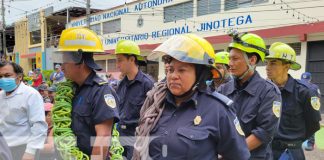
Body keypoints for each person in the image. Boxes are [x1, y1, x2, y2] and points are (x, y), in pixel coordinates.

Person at [133, 34, 250, 160]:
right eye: (171, 70)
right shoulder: (156, 103)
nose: (173, 76)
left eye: (182, 70)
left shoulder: (218, 110)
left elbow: (238, 156)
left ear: (200, 74)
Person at [55, 27, 119, 159]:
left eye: (65, 60)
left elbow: (103, 138)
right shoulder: (74, 89)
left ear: (78, 59)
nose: (61, 66)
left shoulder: (101, 91)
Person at [217, 32, 281, 159]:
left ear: (252, 60)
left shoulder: (269, 92)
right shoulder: (223, 89)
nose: (229, 63)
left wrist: (231, 153)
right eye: (229, 58)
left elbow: (264, 132)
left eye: (235, 59)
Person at [265, 42, 322, 159]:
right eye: (267, 63)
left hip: (291, 152)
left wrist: (294, 141)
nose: (267, 67)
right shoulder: (266, 90)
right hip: (267, 150)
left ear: (287, 66)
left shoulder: (305, 91)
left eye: (273, 63)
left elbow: (314, 124)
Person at [115, 40, 154, 159]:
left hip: (136, 137)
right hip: (120, 135)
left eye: (120, 60)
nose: (117, 65)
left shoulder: (147, 84)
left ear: (132, 59)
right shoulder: (121, 85)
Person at [0, 60, 47, 160]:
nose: (3, 79)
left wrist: (30, 152)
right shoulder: (1, 95)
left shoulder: (30, 95)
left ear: (19, 77)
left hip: (22, 149)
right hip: (3, 148)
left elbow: (39, 126)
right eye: (0, 76)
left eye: (7, 75)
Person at [300, 72, 321, 151]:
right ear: (310, 79)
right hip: (310, 109)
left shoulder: (299, 85)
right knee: (311, 126)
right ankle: (310, 144)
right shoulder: (315, 87)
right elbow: (318, 99)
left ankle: (299, 143)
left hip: (302, 110)